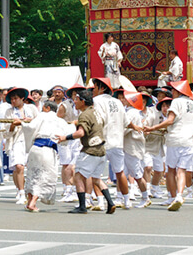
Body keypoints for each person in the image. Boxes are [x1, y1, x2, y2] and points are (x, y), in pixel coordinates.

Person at [57, 88, 116, 214]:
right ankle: (110, 203)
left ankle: (82, 206)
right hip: (101, 150)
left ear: (83, 101)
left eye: (77, 99)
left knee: (78, 176)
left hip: (90, 150)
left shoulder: (84, 115)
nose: (75, 101)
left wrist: (65, 137)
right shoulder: (96, 112)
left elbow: (81, 133)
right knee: (96, 178)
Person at [144, 80, 193, 211]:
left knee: (171, 171)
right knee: (182, 170)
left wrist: (153, 128)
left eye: (173, 90)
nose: (172, 92)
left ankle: (172, 197)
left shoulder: (177, 102)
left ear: (179, 92)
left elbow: (170, 120)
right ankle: (179, 195)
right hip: (189, 140)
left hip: (175, 139)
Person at [91, 77, 131, 209]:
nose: (93, 90)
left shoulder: (96, 101)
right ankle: (126, 201)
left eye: (95, 87)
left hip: (102, 141)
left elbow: (98, 120)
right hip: (117, 141)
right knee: (120, 172)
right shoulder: (118, 102)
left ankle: (101, 202)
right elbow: (125, 122)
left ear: (101, 88)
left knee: (95, 174)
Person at [21, 100, 65, 212]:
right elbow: (66, 137)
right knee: (44, 176)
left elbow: (30, 128)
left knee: (32, 174)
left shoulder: (41, 116)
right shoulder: (60, 121)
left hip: (35, 149)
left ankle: (30, 201)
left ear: (47, 108)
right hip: (48, 150)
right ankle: (33, 202)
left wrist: (22, 123)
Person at [3, 87, 38, 205]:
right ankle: (21, 192)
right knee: (18, 166)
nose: (13, 101)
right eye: (12, 99)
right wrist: (13, 125)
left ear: (22, 98)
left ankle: (28, 191)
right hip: (16, 140)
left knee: (31, 168)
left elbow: (38, 122)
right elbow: (6, 132)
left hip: (30, 139)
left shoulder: (32, 108)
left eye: (16, 98)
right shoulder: (9, 112)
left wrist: (29, 120)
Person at [120, 91, 151, 208]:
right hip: (127, 146)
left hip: (132, 147)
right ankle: (123, 198)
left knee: (137, 174)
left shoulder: (132, 113)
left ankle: (145, 197)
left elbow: (125, 128)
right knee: (122, 173)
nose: (123, 99)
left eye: (125, 98)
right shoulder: (130, 112)